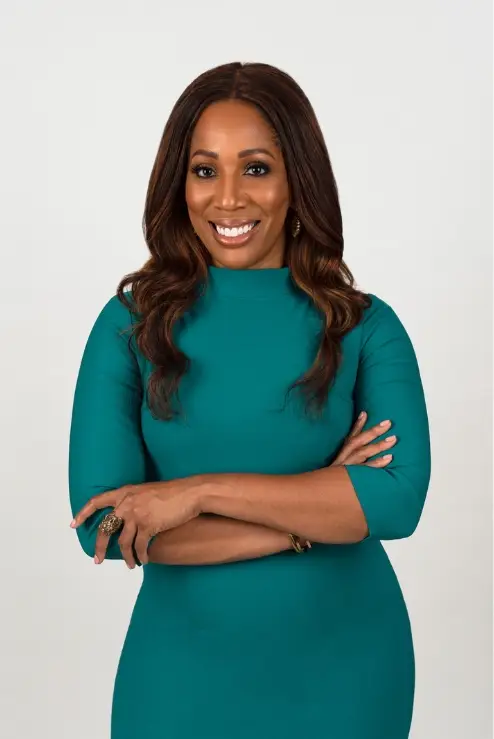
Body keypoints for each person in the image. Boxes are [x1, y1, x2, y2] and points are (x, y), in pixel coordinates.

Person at [68, 61, 431, 739]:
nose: (228, 198)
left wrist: (194, 493)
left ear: (298, 181)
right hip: (178, 674)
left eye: (256, 168)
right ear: (180, 183)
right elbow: (104, 526)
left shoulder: (363, 326)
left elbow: (395, 500)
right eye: (205, 170)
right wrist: (308, 517)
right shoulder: (130, 326)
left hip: (347, 669)